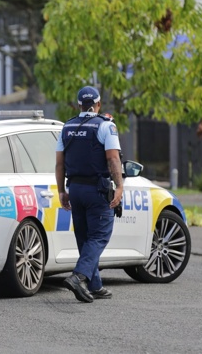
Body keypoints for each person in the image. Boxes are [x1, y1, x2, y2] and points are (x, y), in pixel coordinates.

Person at [55, 85, 124, 303]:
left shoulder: (66, 127)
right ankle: (79, 277)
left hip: (75, 189)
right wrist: (119, 185)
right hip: (97, 189)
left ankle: (95, 285)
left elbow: (59, 164)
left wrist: (61, 191)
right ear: (98, 104)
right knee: (99, 236)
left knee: (85, 238)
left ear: (79, 104)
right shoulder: (106, 126)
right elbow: (113, 159)